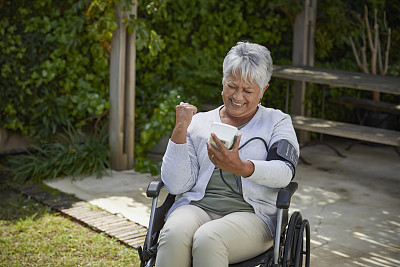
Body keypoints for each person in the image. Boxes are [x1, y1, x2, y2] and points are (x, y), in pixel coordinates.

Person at [156, 41, 299, 267]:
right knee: (173, 233)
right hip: (197, 207)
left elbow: (284, 172)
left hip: (253, 216)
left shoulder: (277, 122)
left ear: (263, 90)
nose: (238, 96)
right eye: (232, 85)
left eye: (248, 90)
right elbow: (175, 185)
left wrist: (241, 167)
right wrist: (180, 130)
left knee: (208, 239)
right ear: (223, 81)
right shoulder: (200, 122)